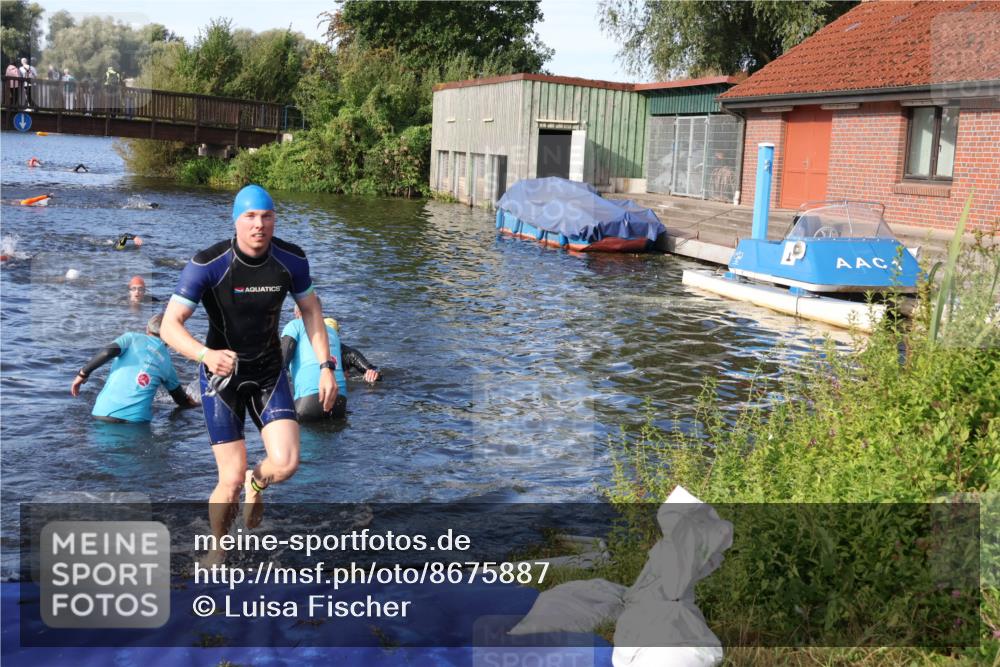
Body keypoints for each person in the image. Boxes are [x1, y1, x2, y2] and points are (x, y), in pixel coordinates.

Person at [160, 184, 336, 564]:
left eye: (267, 216)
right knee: (231, 476)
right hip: (222, 378)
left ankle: (259, 483)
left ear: (274, 219)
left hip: (270, 372)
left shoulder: (292, 260)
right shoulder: (209, 264)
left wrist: (325, 366)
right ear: (236, 220)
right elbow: (170, 325)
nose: (259, 225)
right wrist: (205, 354)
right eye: (251, 217)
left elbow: (311, 310)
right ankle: (219, 546)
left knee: (286, 464)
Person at [70, 314, 197, 423]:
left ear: (147, 328)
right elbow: (180, 399)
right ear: (171, 337)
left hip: (103, 414)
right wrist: (195, 404)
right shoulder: (168, 365)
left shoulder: (131, 338)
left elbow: (107, 353)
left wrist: (83, 373)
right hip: (137, 421)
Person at [282, 306, 380, 420]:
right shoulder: (335, 337)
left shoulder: (295, 325)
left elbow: (280, 364)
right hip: (340, 403)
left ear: (296, 314)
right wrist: (373, 372)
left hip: (308, 402)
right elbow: (372, 369)